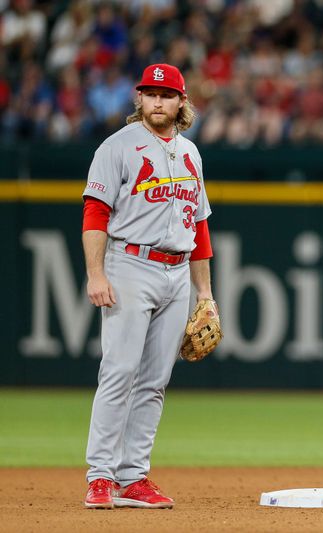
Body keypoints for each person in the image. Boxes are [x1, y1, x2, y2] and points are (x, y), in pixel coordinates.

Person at [82, 63, 215, 509]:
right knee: (119, 371)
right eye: (150, 94)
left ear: (182, 102)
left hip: (178, 272)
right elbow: (95, 213)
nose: (158, 102)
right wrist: (96, 274)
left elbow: (199, 228)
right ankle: (100, 476)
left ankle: (133, 476)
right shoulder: (117, 147)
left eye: (166, 95)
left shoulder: (191, 153)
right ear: (139, 99)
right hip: (130, 264)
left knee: (155, 381)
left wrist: (206, 295)